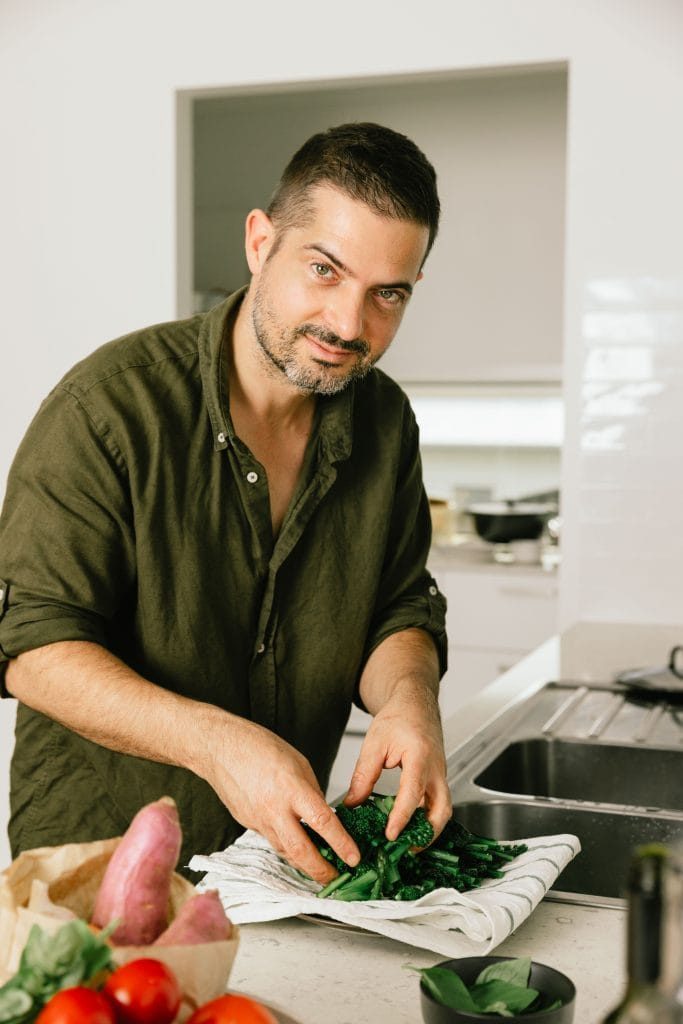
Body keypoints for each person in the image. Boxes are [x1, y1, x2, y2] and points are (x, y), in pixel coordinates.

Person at [0, 122, 449, 882]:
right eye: (323, 270)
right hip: (97, 865)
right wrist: (217, 743)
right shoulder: (108, 408)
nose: (349, 324)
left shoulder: (383, 420)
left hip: (278, 872)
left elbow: (397, 607)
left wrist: (410, 701)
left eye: (387, 294)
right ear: (258, 241)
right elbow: (31, 646)